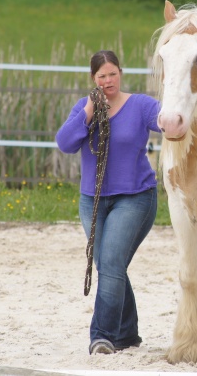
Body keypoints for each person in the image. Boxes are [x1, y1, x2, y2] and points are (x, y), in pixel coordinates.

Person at [56, 50, 161, 355]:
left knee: (112, 263)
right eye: (101, 76)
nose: (108, 80)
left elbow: (166, 120)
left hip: (135, 197)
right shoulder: (84, 108)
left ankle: (101, 336)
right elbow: (65, 143)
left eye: (112, 73)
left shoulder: (140, 105)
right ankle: (127, 334)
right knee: (108, 266)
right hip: (93, 200)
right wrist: (89, 110)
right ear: (94, 79)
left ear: (120, 73)